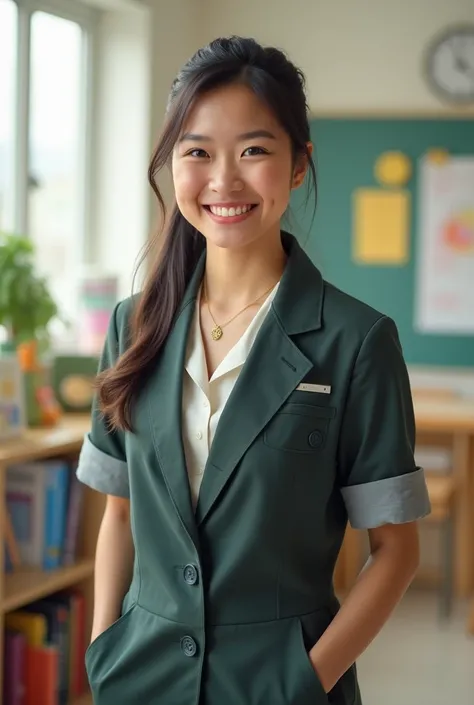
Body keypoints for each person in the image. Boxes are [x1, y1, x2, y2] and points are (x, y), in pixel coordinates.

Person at [77, 35, 430, 705]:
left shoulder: (357, 341)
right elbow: (117, 515)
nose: (223, 181)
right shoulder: (133, 326)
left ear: (300, 165)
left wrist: (302, 683)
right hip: (140, 680)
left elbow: (397, 551)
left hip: (280, 684)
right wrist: (104, 652)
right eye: (198, 152)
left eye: (255, 150)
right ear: (172, 164)